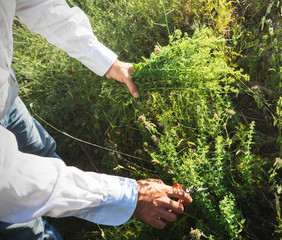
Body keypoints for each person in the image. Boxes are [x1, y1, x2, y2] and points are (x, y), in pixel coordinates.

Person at [0, 1, 192, 239]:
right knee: (23, 229)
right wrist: (131, 197)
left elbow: (39, 3)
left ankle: (69, 211)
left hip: (6, 100)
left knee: (41, 151)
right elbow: (11, 183)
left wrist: (105, 60)